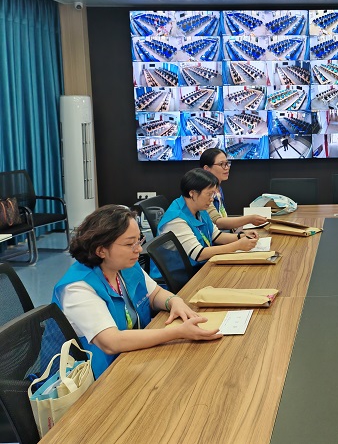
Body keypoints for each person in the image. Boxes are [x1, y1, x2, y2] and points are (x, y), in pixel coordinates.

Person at [52, 205, 222, 377]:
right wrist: (177, 332)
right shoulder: (78, 288)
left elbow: (155, 294)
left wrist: (174, 301)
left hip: (131, 358)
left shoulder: (123, 265)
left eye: (138, 241)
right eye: (129, 244)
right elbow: (111, 342)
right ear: (101, 250)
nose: (139, 249)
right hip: (97, 377)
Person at [158, 169, 258, 265]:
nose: (211, 199)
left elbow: (216, 236)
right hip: (183, 273)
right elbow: (198, 254)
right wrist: (238, 245)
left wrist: (241, 236)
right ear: (192, 193)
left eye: (213, 194)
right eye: (209, 194)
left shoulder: (199, 208)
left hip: (200, 266)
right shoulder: (176, 219)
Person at [199, 148, 267, 230]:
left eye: (227, 163)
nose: (227, 168)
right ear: (207, 169)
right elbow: (217, 222)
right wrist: (249, 219)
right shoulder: (202, 191)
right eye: (221, 164)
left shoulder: (218, 188)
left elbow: (223, 216)